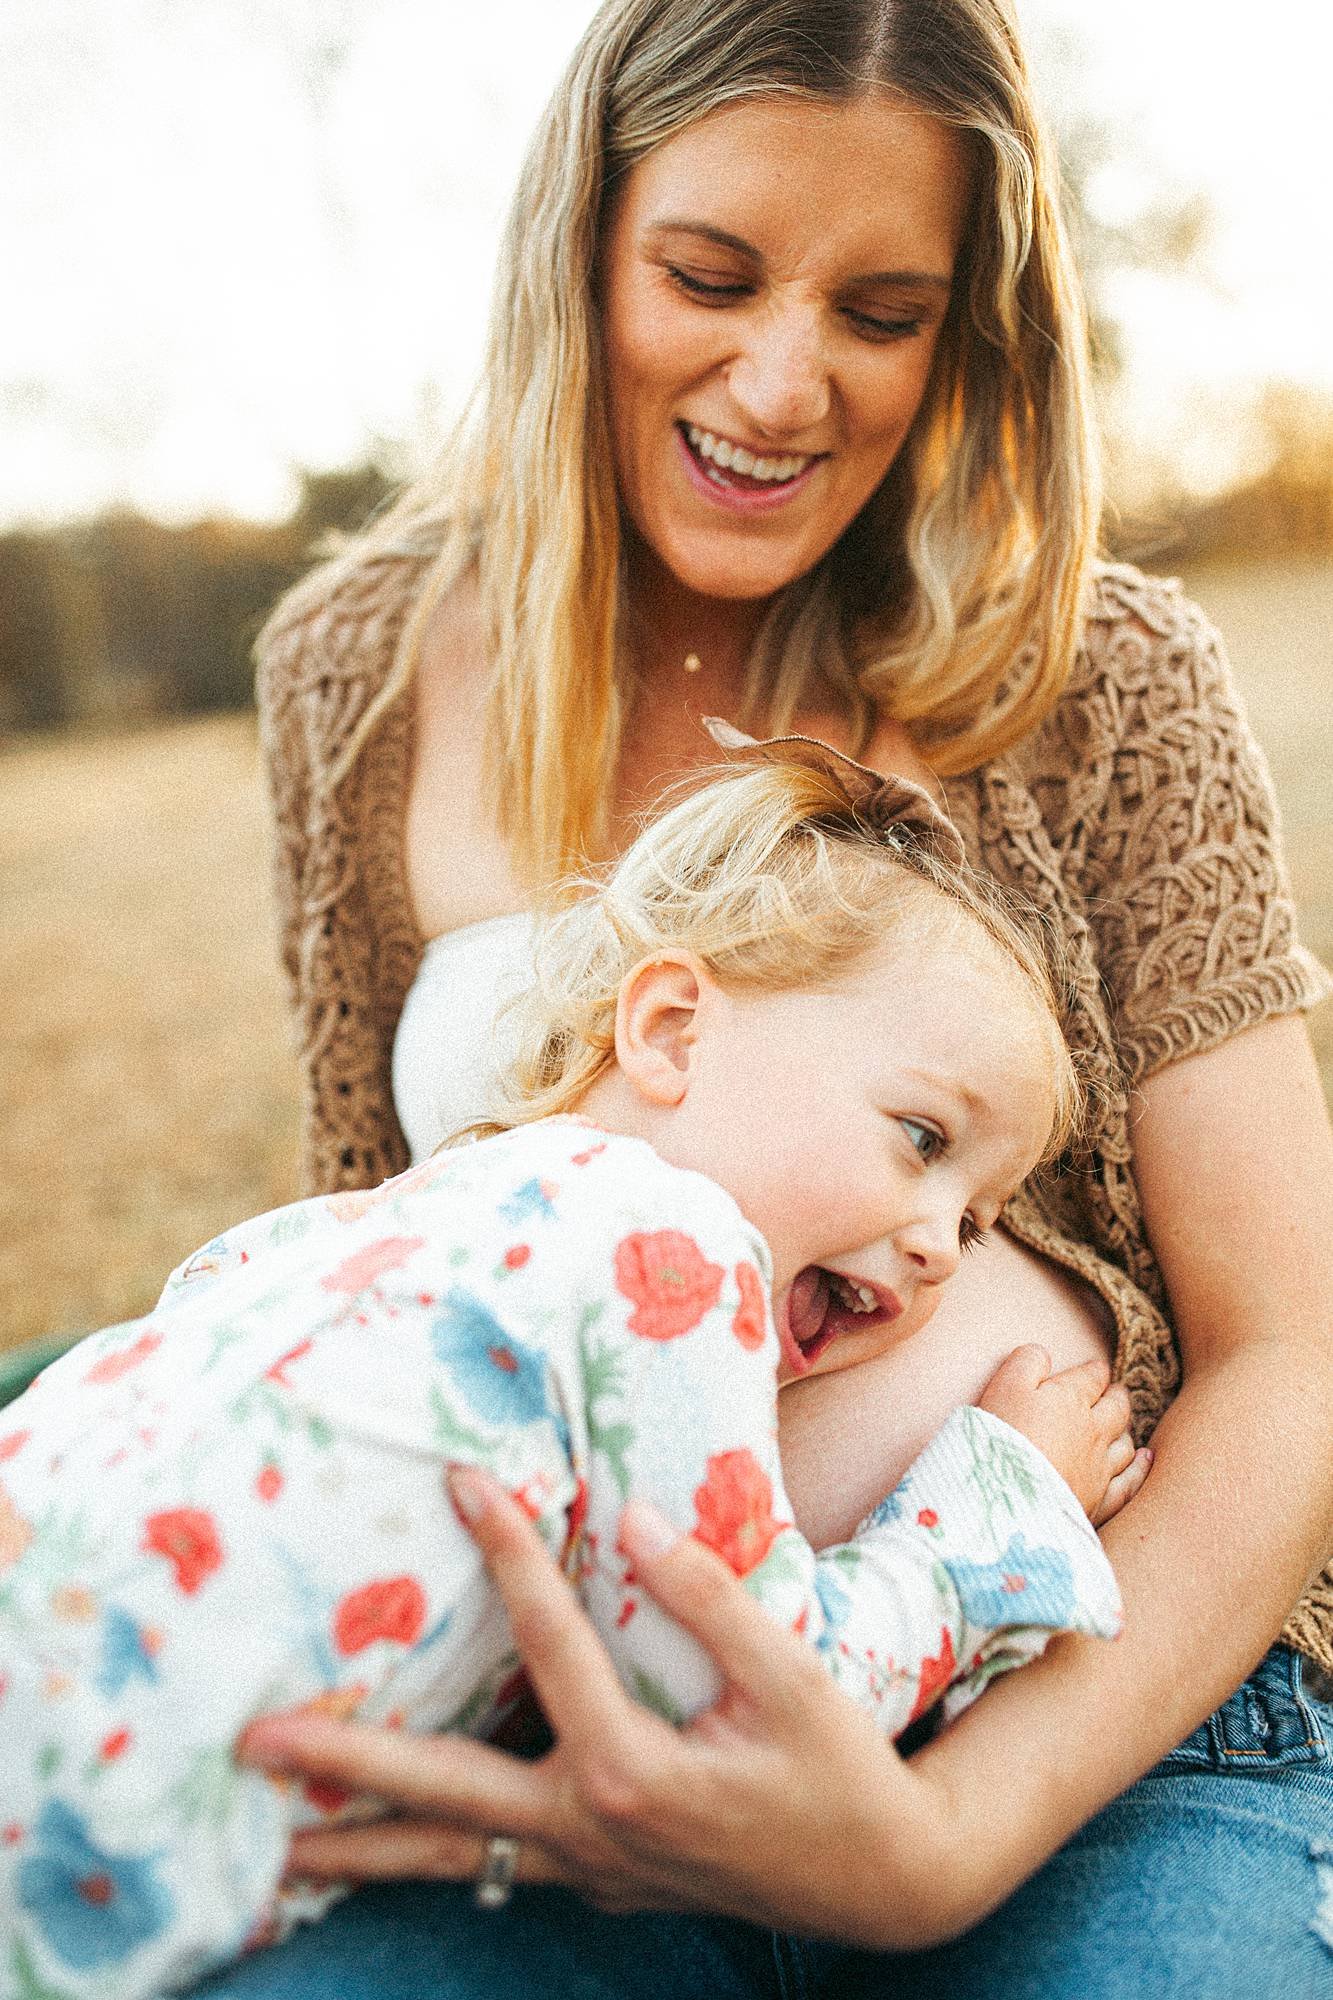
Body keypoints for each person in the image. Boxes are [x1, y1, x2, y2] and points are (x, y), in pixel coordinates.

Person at [231, 0, 1333, 1991]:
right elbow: (372, 1263)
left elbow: (1296, 1356)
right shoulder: (355, 672)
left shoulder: (1112, 679)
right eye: (709, 276)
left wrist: (934, 1840)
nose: (782, 380)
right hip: (576, 1757)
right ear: (582, 240)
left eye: (883, 310)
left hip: (1100, 1731)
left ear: (967, 332)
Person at [0, 745, 1142, 2000]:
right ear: (666, 1029)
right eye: (920, 1136)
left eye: (978, 1223)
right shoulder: (675, 1251)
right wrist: (992, 1508)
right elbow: (738, 1703)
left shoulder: (397, 1216)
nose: (937, 1245)